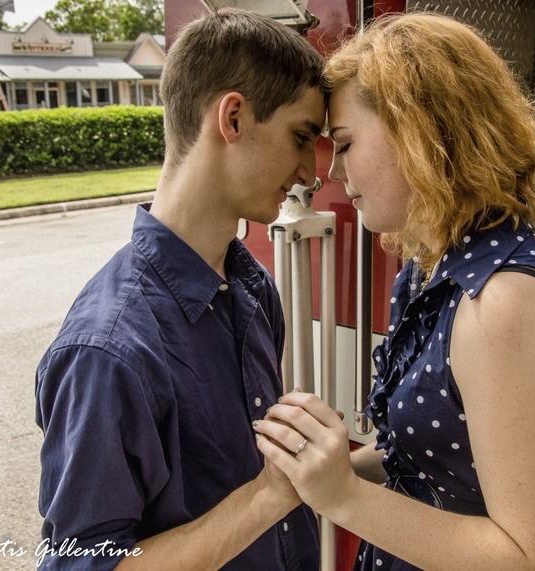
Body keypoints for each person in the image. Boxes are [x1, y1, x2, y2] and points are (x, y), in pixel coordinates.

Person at [253, 12, 535, 571]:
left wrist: (342, 496)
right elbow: (425, 462)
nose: (333, 172)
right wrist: (319, 471)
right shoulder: (430, 268)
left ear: (419, 135)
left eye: (343, 144)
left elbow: (533, 560)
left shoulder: (503, 304)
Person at [34, 8, 327, 570]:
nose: (311, 172)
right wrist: (269, 496)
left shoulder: (252, 288)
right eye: (301, 136)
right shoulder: (106, 351)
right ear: (234, 118)